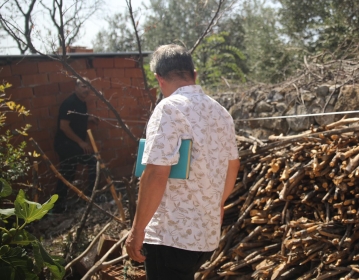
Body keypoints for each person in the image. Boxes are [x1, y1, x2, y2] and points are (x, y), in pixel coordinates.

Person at [125, 45, 240, 280]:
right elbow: (233, 165)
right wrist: (218, 204)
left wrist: (137, 231)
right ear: (194, 74)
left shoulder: (168, 109)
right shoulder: (221, 112)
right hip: (205, 236)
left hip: (171, 236)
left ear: (159, 79)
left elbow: (157, 173)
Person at [52, 77, 97, 213]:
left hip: (72, 145)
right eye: (83, 86)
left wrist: (89, 118)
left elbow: (77, 117)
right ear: (76, 88)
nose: (86, 90)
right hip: (66, 145)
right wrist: (81, 142)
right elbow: (64, 127)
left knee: (69, 174)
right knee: (68, 173)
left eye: (88, 86)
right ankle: (89, 196)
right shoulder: (70, 103)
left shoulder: (81, 103)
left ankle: (60, 205)